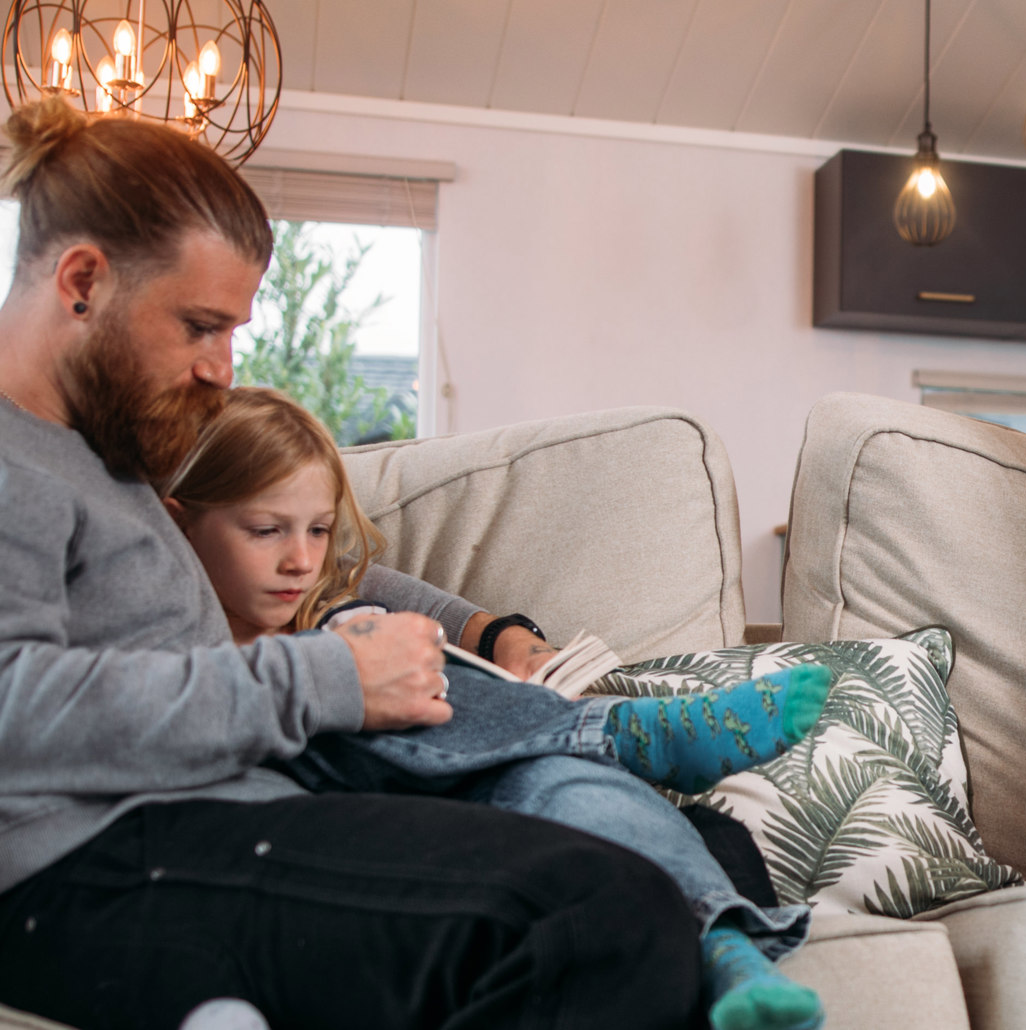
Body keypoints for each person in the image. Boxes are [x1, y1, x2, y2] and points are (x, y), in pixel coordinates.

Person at [0, 98, 703, 1029]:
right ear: (82, 280)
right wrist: (324, 676)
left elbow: (311, 575)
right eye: (201, 325)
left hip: (188, 826)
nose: (224, 364)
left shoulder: (95, 458)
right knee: (597, 919)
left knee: (661, 865)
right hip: (46, 879)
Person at [165, 386, 831, 1030]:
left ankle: (731, 951)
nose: (301, 560)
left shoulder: (330, 591)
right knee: (363, 660)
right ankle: (622, 733)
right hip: (371, 824)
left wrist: (508, 640)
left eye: (318, 530)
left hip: (485, 784)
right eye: (265, 531)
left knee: (582, 787)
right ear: (178, 521)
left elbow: (412, 602)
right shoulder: (169, 646)